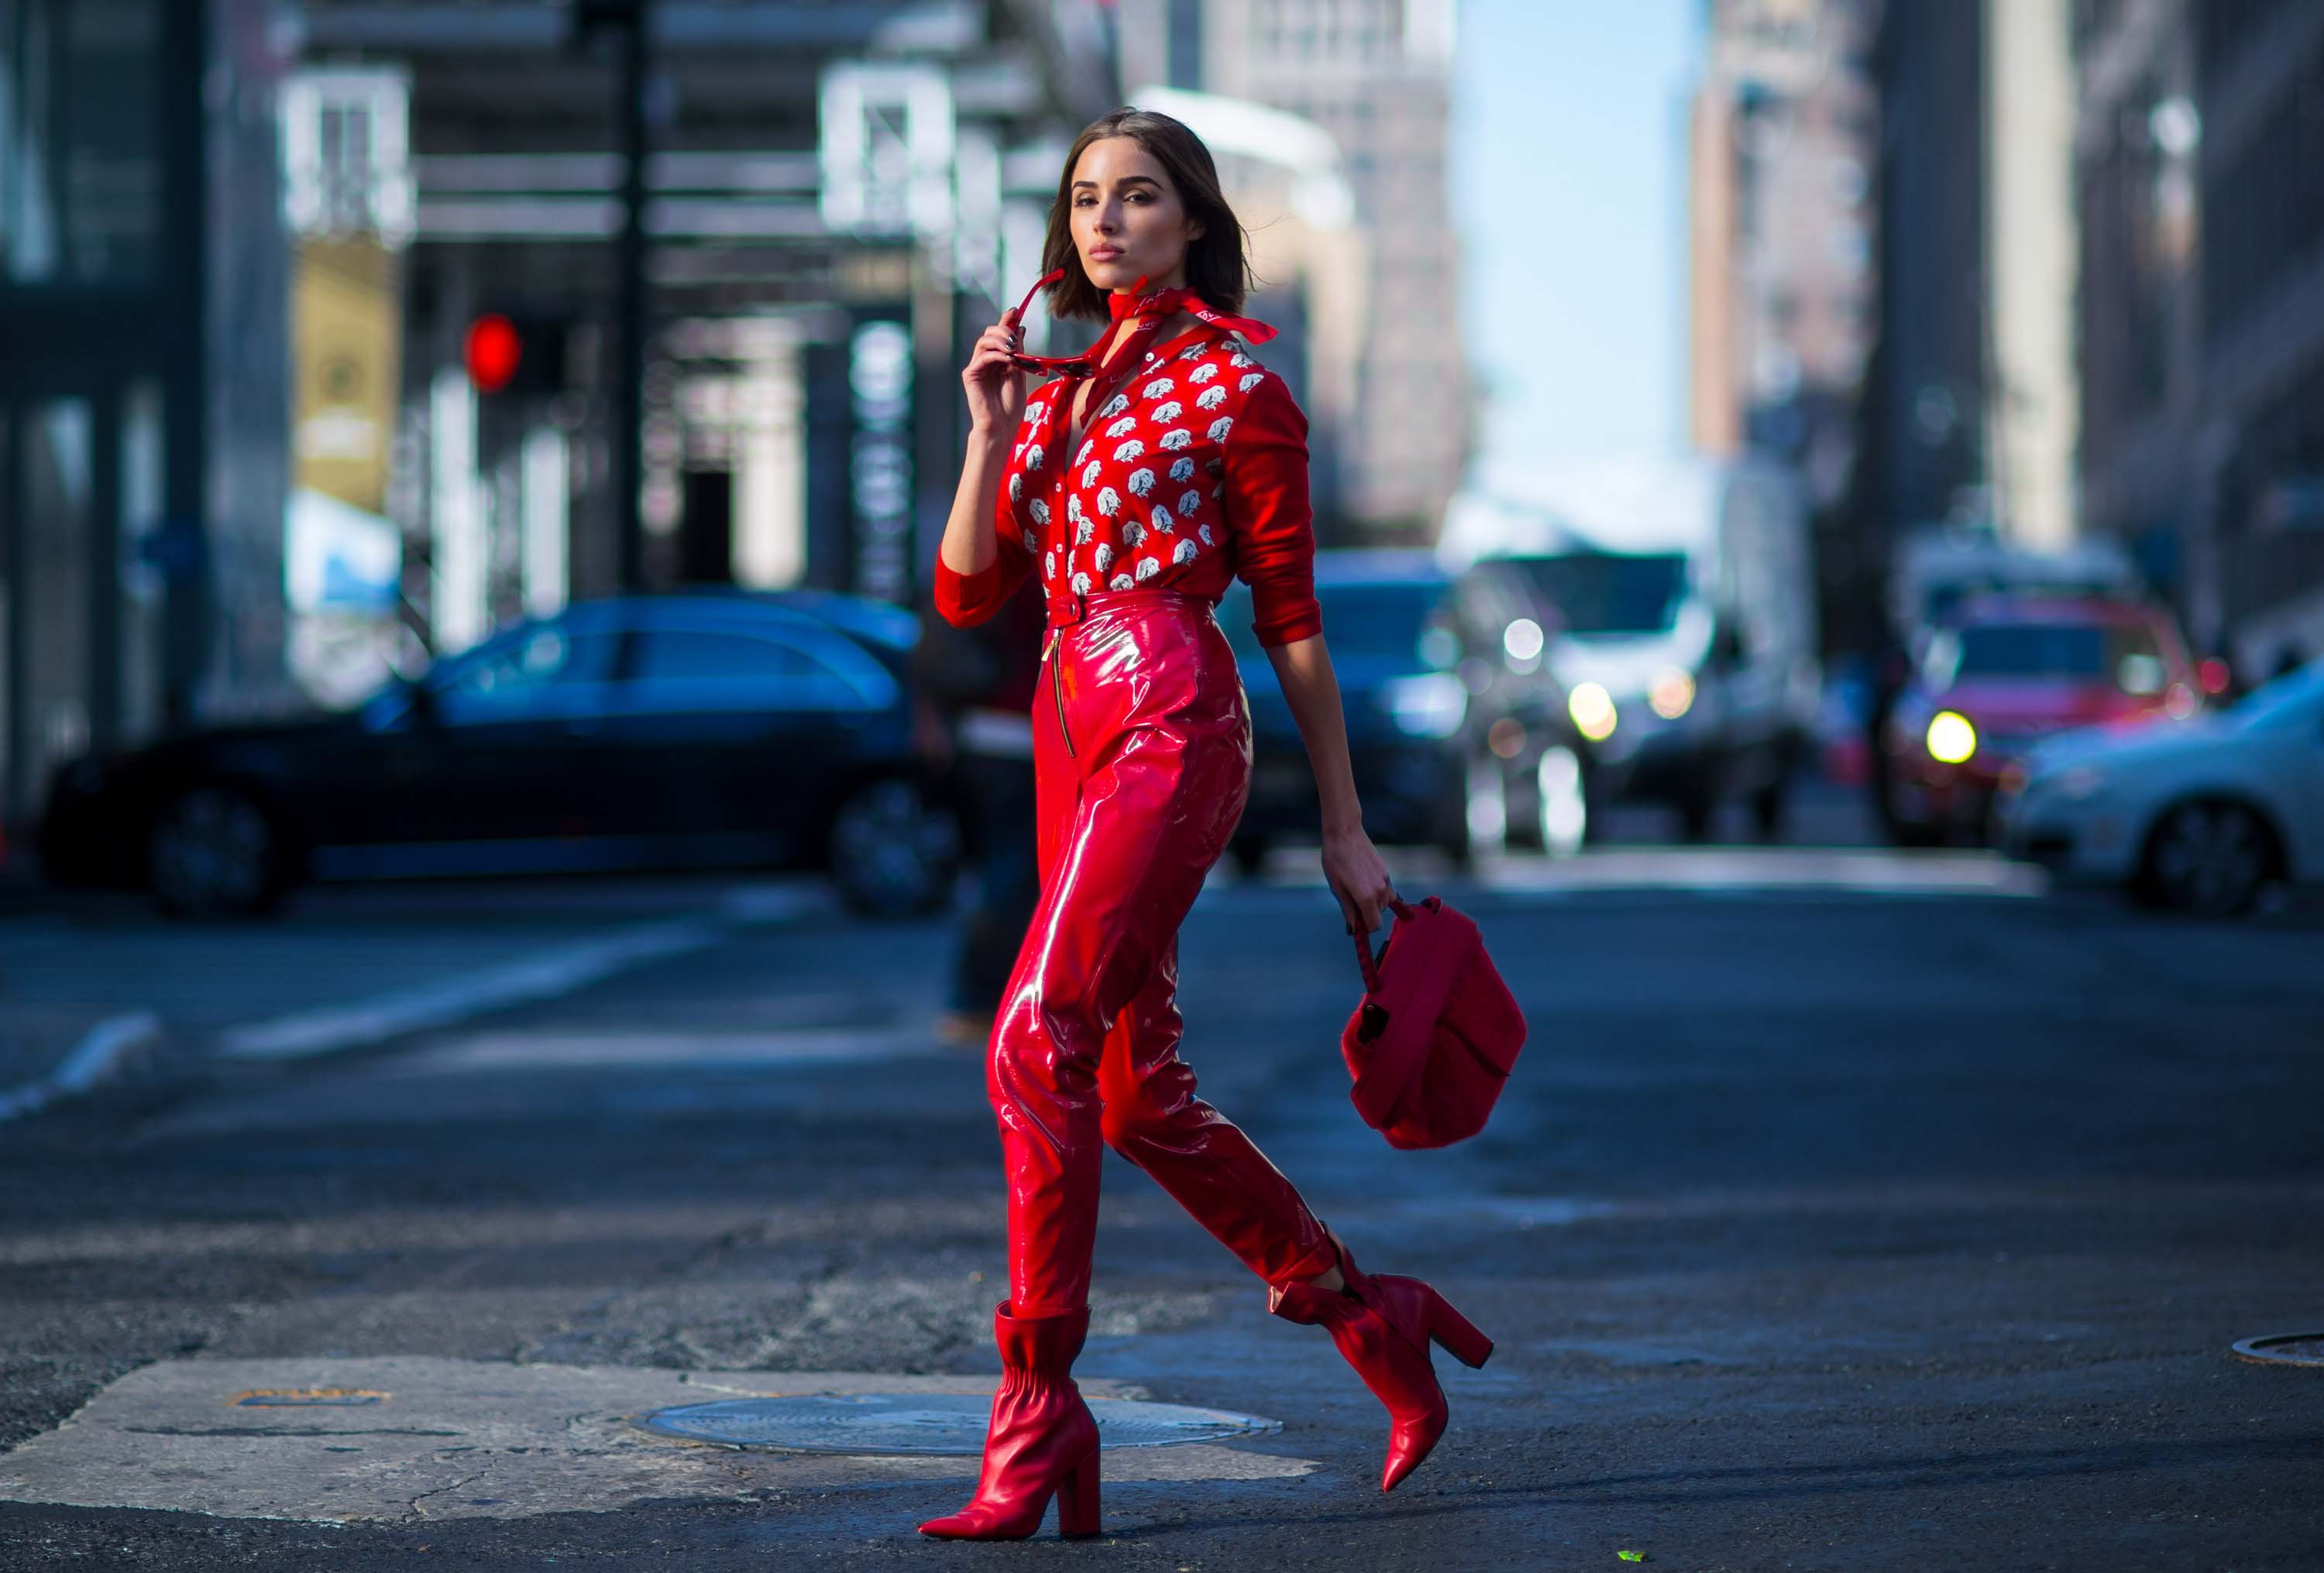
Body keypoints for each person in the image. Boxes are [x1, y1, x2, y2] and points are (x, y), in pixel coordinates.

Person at [918, 108, 1494, 1543]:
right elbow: (966, 598)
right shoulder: (1047, 388)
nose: (1107, 221)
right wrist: (986, 439)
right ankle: (1371, 1318)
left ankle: (1038, 1404)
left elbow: (1295, 628)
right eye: (1087, 200)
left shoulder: (1240, 387)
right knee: (1128, 1097)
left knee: (1026, 1043)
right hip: (1068, 724)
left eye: (1140, 197)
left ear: (1194, 219)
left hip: (1173, 718)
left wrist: (1347, 830)